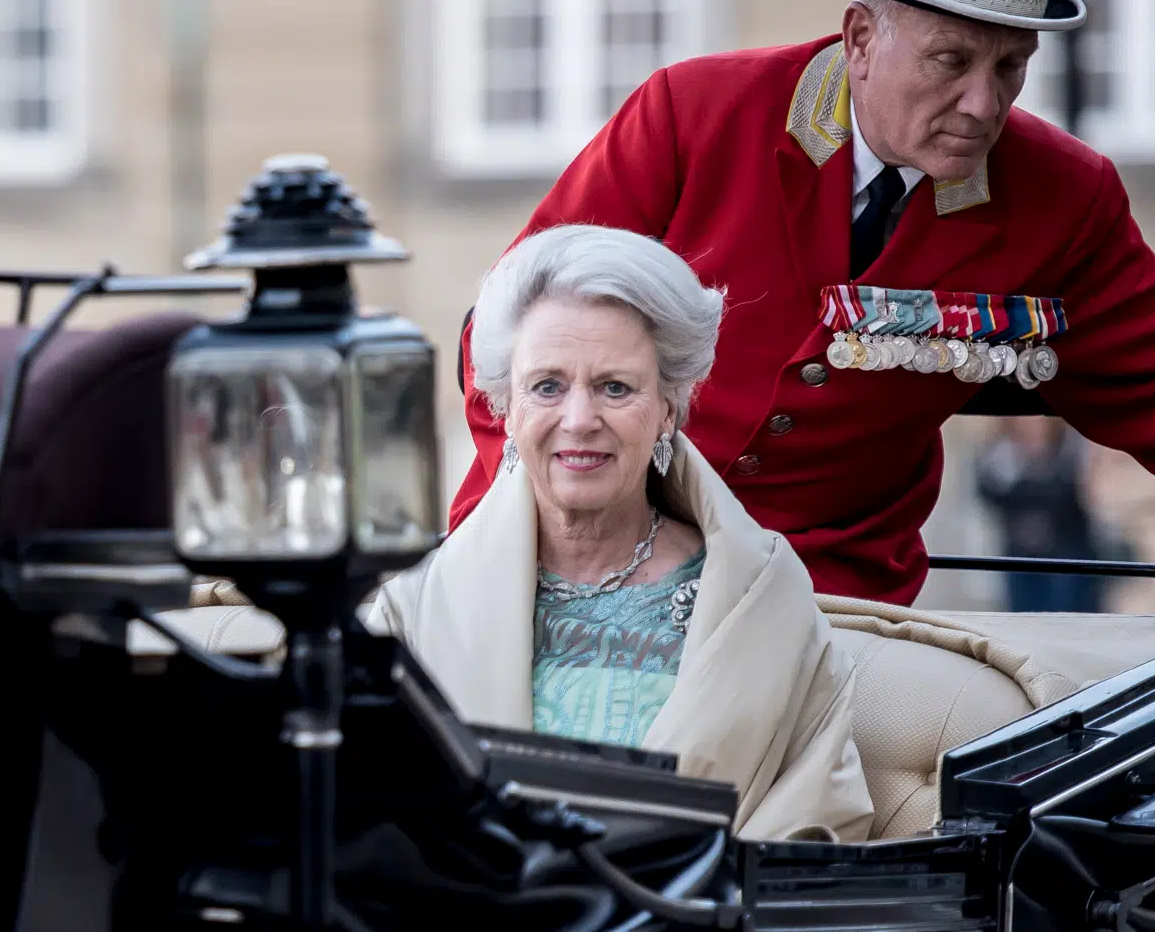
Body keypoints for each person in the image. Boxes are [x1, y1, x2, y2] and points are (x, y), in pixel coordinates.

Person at [449, 0, 1155, 612]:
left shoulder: (1062, 195)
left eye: (1010, 67)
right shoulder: (691, 117)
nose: (984, 104)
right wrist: (558, 548)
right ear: (859, 40)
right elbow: (512, 335)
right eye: (950, 61)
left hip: (831, 603)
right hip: (582, 559)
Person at [370, 224, 876, 843]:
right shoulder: (414, 608)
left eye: (615, 387)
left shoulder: (764, 598)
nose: (579, 419)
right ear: (506, 407)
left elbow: (812, 827)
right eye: (547, 386)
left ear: (669, 407)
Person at [974, 418, 1107, 612]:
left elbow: (1083, 494)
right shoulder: (1003, 453)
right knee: (1023, 615)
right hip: (1020, 556)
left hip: (1067, 554)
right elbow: (988, 490)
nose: (1031, 424)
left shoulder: (1071, 447)